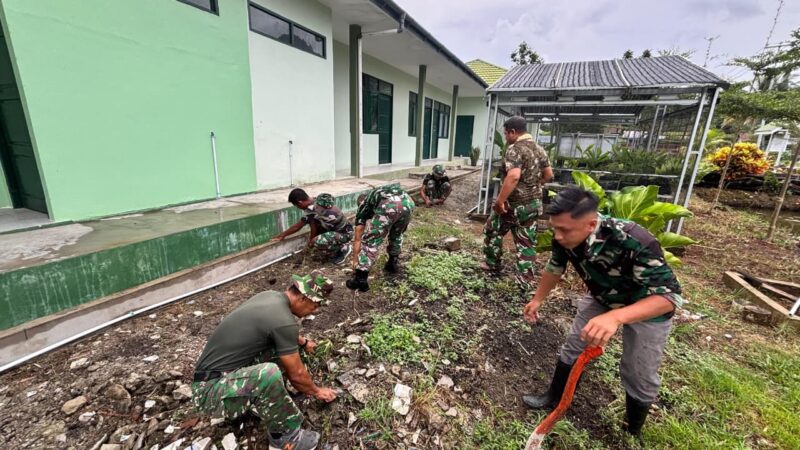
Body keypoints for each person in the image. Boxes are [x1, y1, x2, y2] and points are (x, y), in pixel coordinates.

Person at [521, 187, 683, 439]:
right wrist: (538, 299)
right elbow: (555, 267)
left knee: (638, 369)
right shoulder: (564, 236)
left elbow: (669, 298)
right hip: (603, 297)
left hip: (647, 307)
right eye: (555, 228)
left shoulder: (634, 240)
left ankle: (632, 431)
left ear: (591, 224)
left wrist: (616, 317)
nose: (558, 236)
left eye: (564, 229)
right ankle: (554, 398)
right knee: (574, 345)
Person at [191, 271, 337, 450]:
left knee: (279, 348)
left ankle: (273, 400)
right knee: (268, 374)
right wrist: (316, 391)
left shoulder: (270, 297)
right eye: (315, 306)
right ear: (303, 299)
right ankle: (284, 437)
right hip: (211, 394)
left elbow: (279, 332)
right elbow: (297, 375)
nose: (315, 310)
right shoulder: (284, 321)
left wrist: (304, 342)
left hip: (214, 379)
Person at [481, 116, 553, 291]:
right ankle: (524, 281)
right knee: (526, 241)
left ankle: (493, 264)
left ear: (513, 132)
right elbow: (548, 175)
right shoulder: (540, 149)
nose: (505, 137)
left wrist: (500, 201)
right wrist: (534, 186)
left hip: (514, 205)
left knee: (492, 230)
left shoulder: (514, 149)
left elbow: (513, 176)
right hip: (534, 204)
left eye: (506, 133)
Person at [345, 185, 415, 292]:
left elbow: (358, 237)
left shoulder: (364, 205)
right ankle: (392, 263)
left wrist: (355, 262)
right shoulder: (379, 194)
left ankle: (360, 279)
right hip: (408, 203)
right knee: (397, 234)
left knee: (371, 240)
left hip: (390, 205)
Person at [271, 189, 353, 265]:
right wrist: (311, 242)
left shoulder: (314, 208)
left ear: (300, 202)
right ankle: (336, 244)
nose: (298, 208)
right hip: (340, 229)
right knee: (315, 240)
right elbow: (313, 225)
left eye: (297, 206)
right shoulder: (315, 201)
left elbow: (298, 226)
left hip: (344, 233)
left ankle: (343, 248)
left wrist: (312, 242)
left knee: (316, 242)